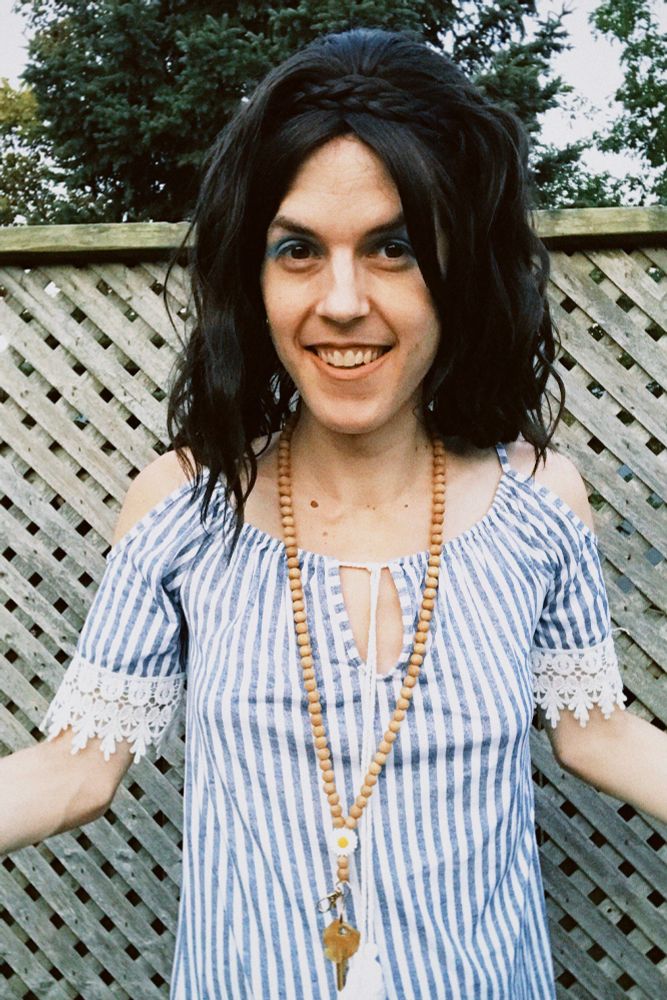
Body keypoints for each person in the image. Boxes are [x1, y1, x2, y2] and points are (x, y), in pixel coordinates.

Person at [2, 25, 665, 1000]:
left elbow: (596, 732)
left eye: (394, 248)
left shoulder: (538, 504)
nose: (342, 300)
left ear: (461, 269)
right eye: (298, 250)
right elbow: (75, 769)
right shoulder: (186, 509)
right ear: (252, 276)